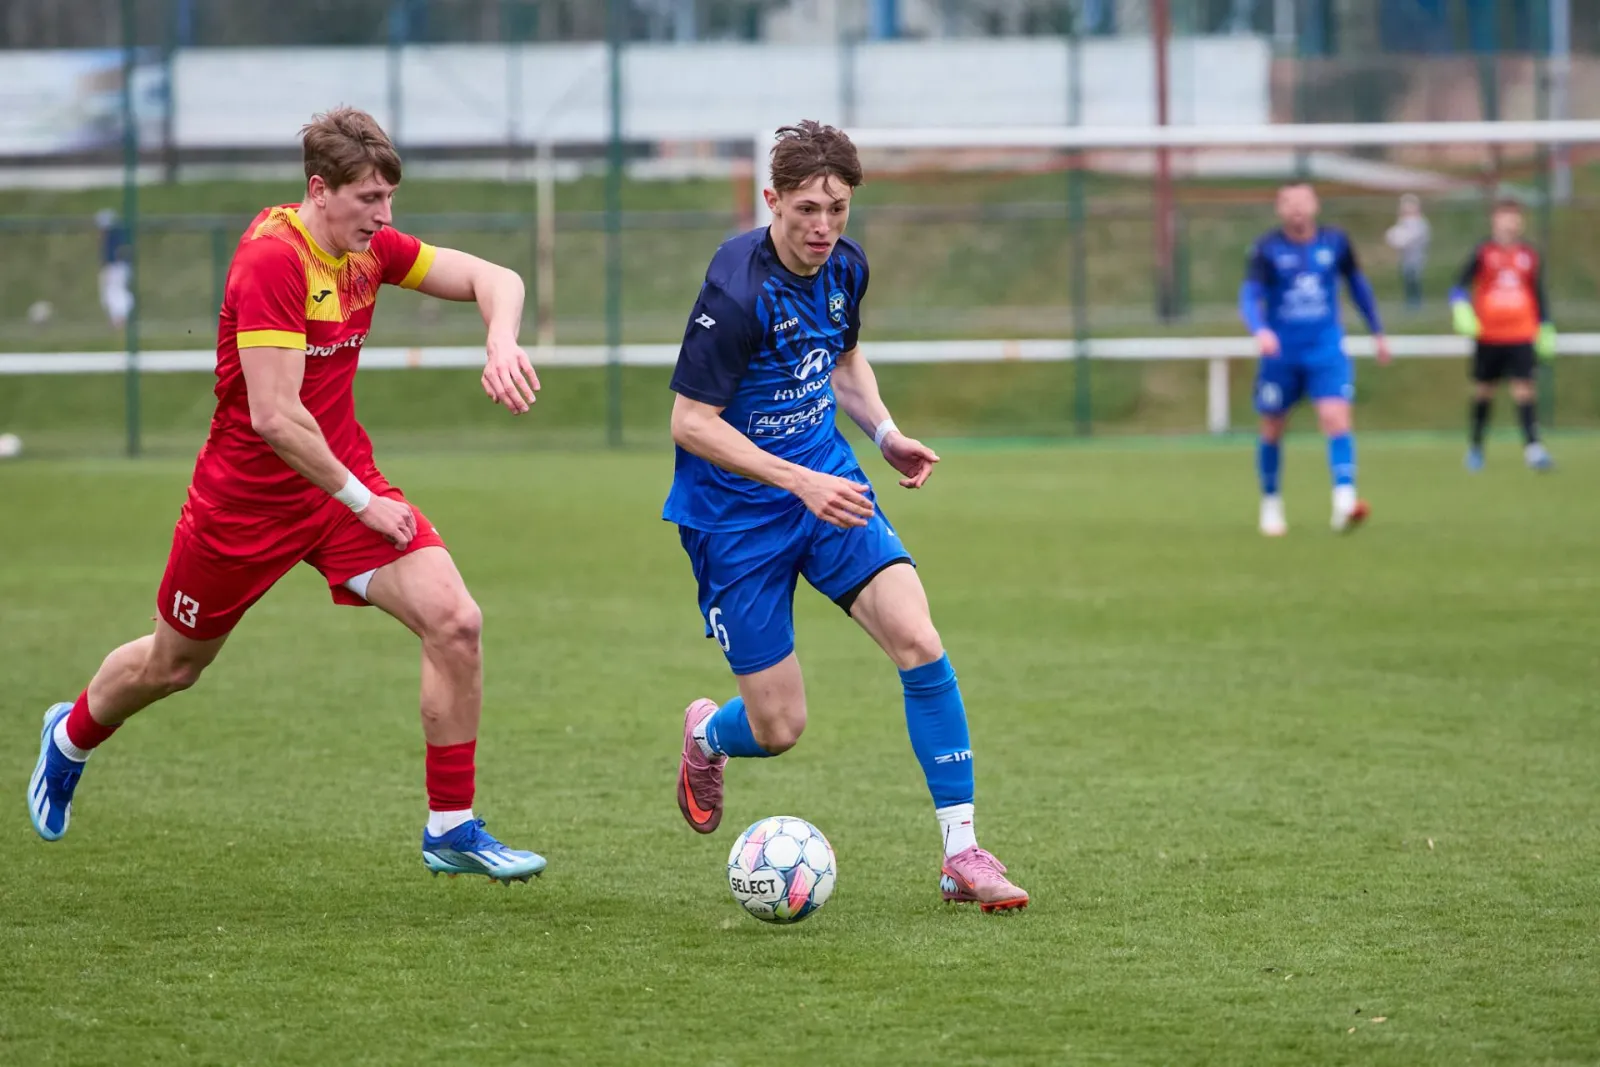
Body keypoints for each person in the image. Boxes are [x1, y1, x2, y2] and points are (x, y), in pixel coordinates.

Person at [28, 107, 548, 884]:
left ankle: (450, 826)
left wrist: (499, 337)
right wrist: (362, 500)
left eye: (389, 198)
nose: (385, 216)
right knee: (173, 665)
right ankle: (69, 736)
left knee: (456, 621)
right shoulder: (273, 260)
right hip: (245, 506)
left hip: (338, 490)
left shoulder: (367, 248)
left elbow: (495, 278)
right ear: (319, 189)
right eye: (369, 198)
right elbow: (275, 416)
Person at [664, 121, 1028, 914]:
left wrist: (885, 433)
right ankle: (705, 736)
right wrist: (797, 482)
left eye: (837, 208)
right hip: (735, 516)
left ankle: (962, 852)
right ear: (772, 201)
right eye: (806, 209)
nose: (823, 226)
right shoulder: (735, 289)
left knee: (918, 638)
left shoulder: (846, 266)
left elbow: (842, 357)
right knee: (779, 725)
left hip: (827, 484)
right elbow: (690, 422)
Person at [1239, 182, 1391, 537]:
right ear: (1279, 209)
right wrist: (1260, 329)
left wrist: (1377, 331)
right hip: (1282, 353)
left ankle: (1344, 502)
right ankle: (1271, 503)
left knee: (1335, 417)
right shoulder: (1266, 248)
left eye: (1303, 201)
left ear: (1315, 205)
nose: (1297, 209)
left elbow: (1357, 286)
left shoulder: (1335, 242)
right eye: (1289, 202)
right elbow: (1249, 295)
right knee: (1272, 426)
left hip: (1325, 348)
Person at [1450, 198, 1555, 472]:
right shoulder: (1483, 252)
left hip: (1521, 333)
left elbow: (1538, 293)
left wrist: (1545, 325)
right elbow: (1458, 285)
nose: (1512, 222)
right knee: (1484, 392)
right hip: (1489, 335)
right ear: (1494, 220)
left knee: (1525, 390)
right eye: (1506, 216)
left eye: (1516, 217)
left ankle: (1533, 449)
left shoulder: (1529, 255)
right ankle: (1475, 448)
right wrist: (1461, 308)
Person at [1384, 193, 1431, 311]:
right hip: (1406, 257)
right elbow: (1396, 236)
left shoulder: (1420, 223)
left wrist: (1406, 241)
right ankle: (1410, 301)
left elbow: (1418, 237)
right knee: (1407, 279)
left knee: (1414, 278)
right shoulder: (1403, 222)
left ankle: (1416, 301)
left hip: (1416, 256)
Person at [96, 208, 134, 331]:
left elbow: (117, 254)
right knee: (113, 292)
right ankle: (118, 319)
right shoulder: (119, 235)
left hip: (116, 268)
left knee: (114, 292)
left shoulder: (113, 237)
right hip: (118, 267)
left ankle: (119, 320)